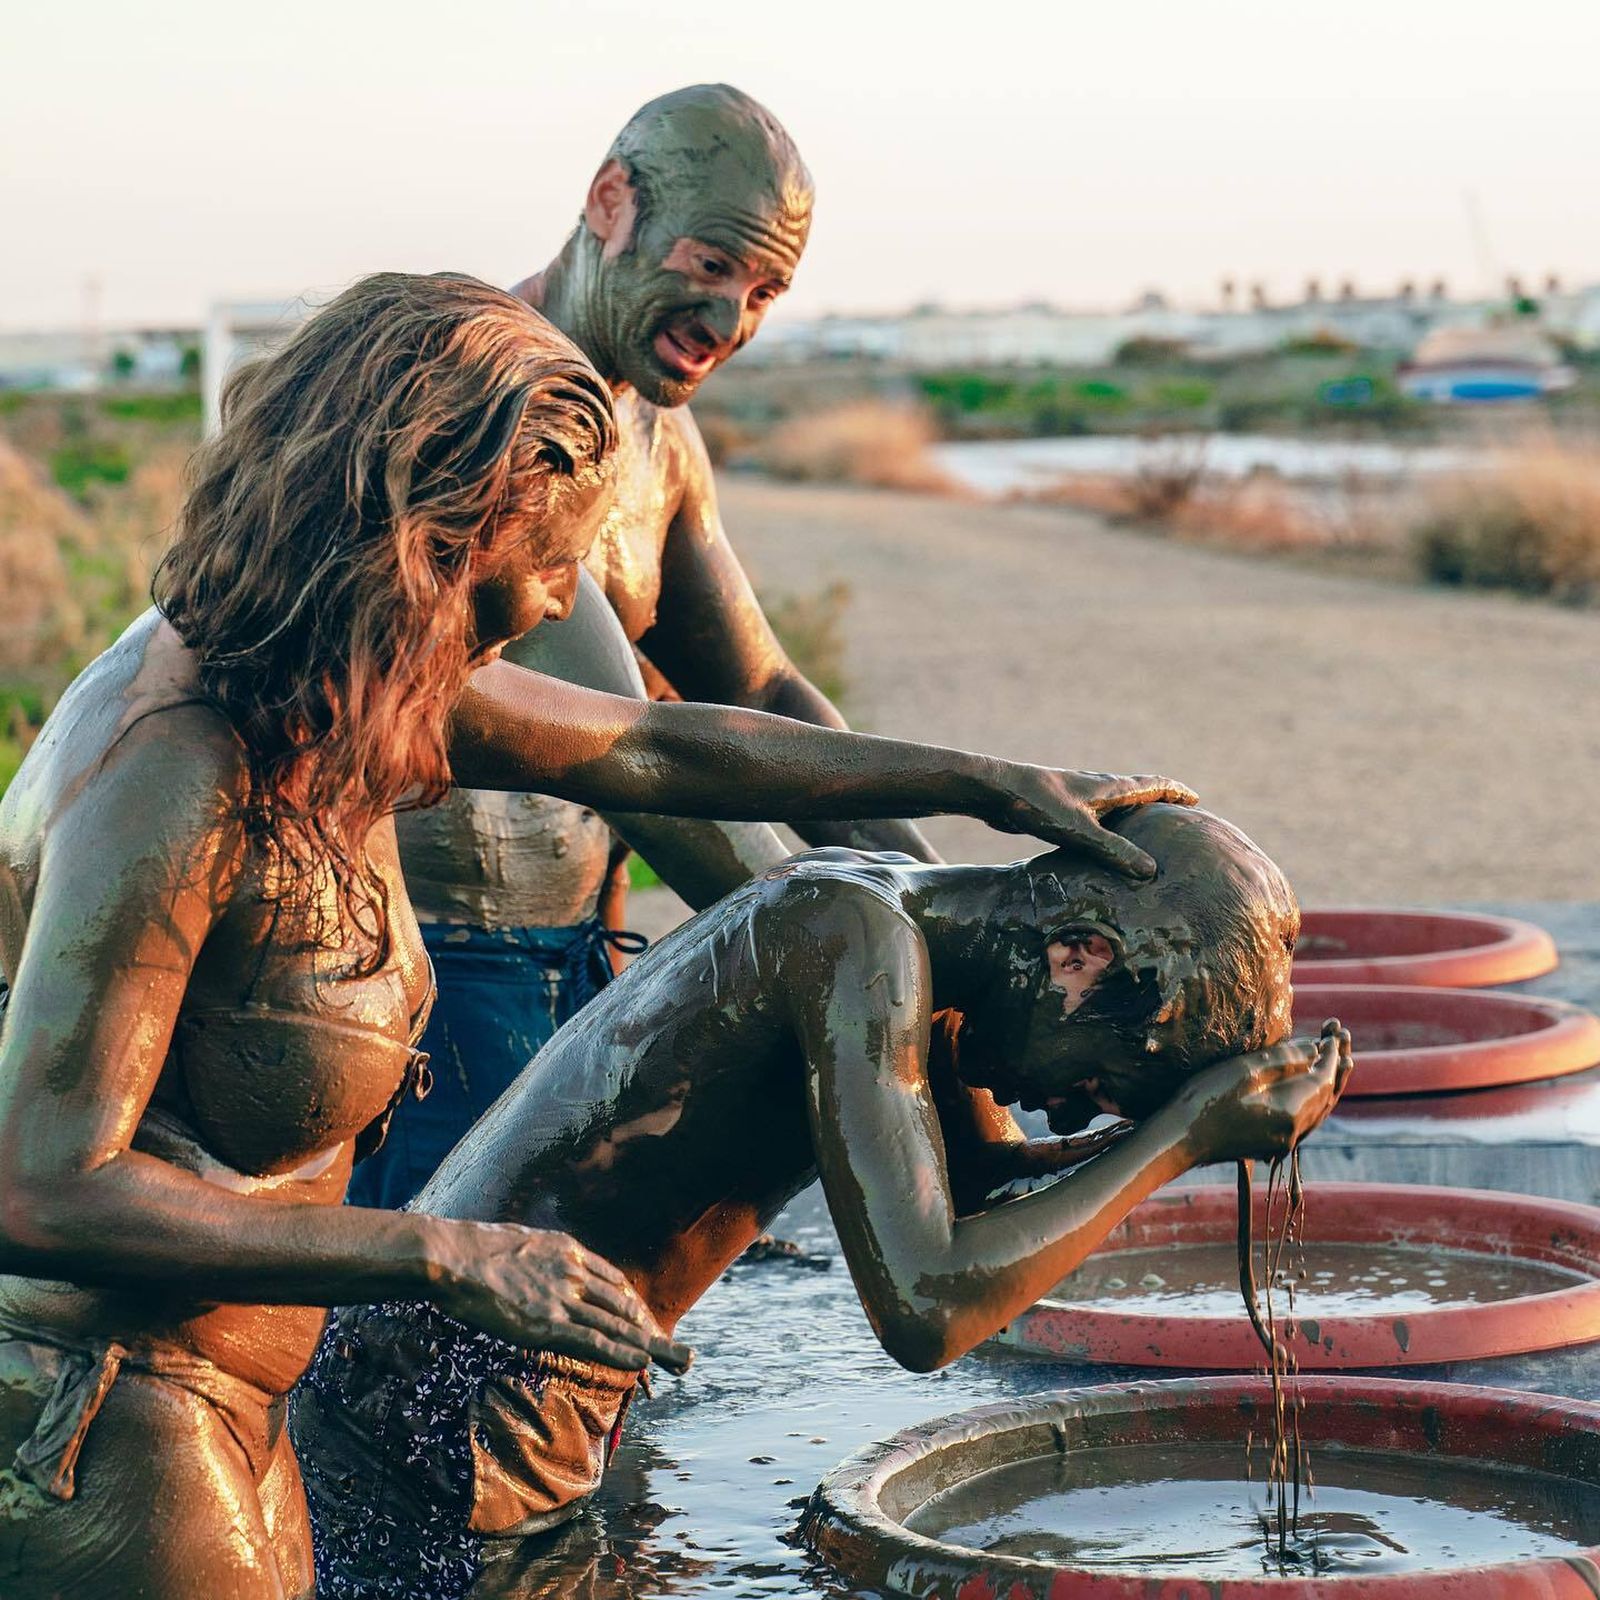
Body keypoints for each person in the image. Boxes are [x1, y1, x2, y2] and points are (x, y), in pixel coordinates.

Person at [0, 270, 1189, 1599]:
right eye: (548, 561)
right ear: (427, 540)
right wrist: (444, 1254)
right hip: (101, 1426)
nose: (562, 605)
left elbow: (652, 745)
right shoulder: (175, 768)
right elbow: (39, 1188)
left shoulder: (334, 676)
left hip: (225, 1409)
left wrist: (984, 782)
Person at [294, 805, 1352, 1600]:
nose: (1071, 1104)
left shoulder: (925, 944)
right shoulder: (851, 937)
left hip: (493, 1383)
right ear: (1079, 957)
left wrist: (1161, 1136)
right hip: (452, 1402)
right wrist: (1179, 1137)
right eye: (1102, 1076)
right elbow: (927, 1308)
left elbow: (981, 1199)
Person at [364, 81, 918, 1207]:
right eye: (712, 264)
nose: (730, 318)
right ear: (610, 202)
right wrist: (871, 957)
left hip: (585, 964)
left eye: (764, 291)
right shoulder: (476, 395)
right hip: (417, 975)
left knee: (577, 1295)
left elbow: (762, 686)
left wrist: (939, 891)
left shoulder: (658, 434)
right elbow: (636, 755)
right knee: (430, 1299)